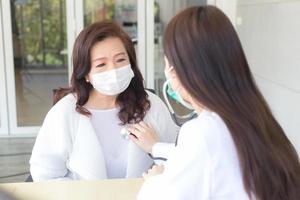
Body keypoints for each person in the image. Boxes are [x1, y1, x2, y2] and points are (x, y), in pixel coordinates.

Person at [135, 6, 300, 200]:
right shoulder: (256, 116)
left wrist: (155, 180)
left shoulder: (202, 131)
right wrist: (156, 148)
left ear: (179, 69)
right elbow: (214, 158)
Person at [29, 21, 178, 181]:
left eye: (120, 60)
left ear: (131, 64)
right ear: (85, 73)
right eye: (101, 64)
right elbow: (45, 174)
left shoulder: (151, 106)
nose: (113, 70)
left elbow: (178, 162)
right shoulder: (64, 113)